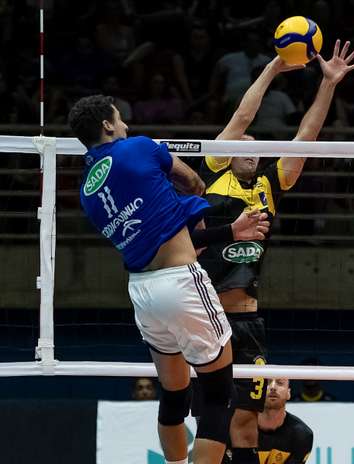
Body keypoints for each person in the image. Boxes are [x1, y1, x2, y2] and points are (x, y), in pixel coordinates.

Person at [69, 95, 271, 464]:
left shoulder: (87, 192)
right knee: (218, 394)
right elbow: (193, 180)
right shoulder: (139, 147)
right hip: (181, 282)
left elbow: (157, 225)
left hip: (142, 293)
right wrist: (195, 203)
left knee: (175, 394)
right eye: (120, 119)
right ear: (107, 126)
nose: (126, 125)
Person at [195, 40, 354, 464]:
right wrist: (273, 67)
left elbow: (306, 137)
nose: (250, 145)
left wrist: (327, 85)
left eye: (256, 144)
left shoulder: (269, 185)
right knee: (213, 418)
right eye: (242, 143)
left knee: (245, 424)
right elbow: (243, 116)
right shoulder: (214, 170)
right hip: (205, 312)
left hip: (248, 319)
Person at [254, 378, 314, 463]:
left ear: (288, 393)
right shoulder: (238, 428)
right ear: (257, 391)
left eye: (280, 383)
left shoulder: (302, 435)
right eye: (267, 382)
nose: (273, 387)